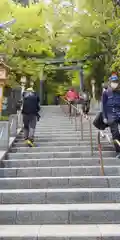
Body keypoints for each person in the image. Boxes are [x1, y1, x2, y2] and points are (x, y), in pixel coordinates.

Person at [102, 74, 120, 158]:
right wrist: (104, 117)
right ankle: (118, 151)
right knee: (115, 133)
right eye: (113, 82)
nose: (115, 83)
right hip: (111, 115)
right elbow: (103, 106)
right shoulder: (106, 93)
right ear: (110, 82)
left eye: (116, 82)